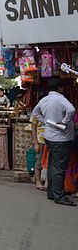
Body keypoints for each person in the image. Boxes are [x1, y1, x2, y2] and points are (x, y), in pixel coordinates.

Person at [31, 78, 76, 206]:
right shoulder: (61, 99)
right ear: (60, 88)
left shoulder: (44, 99)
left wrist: (45, 121)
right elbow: (71, 110)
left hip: (49, 136)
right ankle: (59, 196)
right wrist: (65, 121)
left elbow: (35, 112)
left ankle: (52, 193)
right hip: (61, 138)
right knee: (59, 168)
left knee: (52, 165)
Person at [31, 110, 47, 191]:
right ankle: (38, 181)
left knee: (48, 162)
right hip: (40, 140)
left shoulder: (49, 111)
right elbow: (33, 128)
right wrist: (36, 143)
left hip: (49, 139)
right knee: (38, 161)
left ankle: (47, 182)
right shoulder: (36, 113)